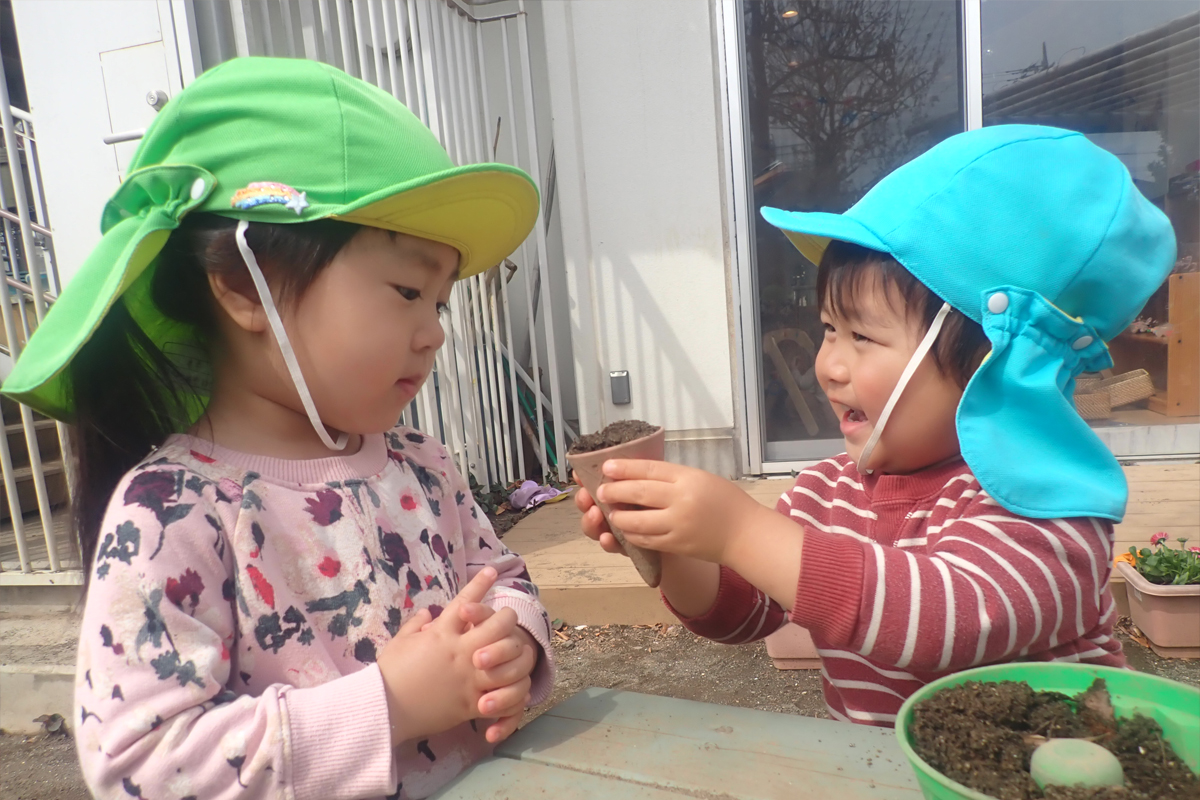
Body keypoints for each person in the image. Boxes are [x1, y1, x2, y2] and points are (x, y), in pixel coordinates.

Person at [2, 57, 554, 799]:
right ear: (241, 285)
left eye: (441, 303)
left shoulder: (422, 468)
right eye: (406, 291)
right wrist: (388, 704)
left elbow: (505, 582)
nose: (433, 334)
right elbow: (140, 764)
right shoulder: (171, 512)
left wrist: (512, 639)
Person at [576, 125, 1176, 727]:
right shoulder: (828, 491)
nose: (828, 365)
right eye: (829, 329)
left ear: (994, 364)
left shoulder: (1048, 502)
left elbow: (949, 620)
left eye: (862, 336)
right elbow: (745, 613)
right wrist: (680, 547)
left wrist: (738, 530)